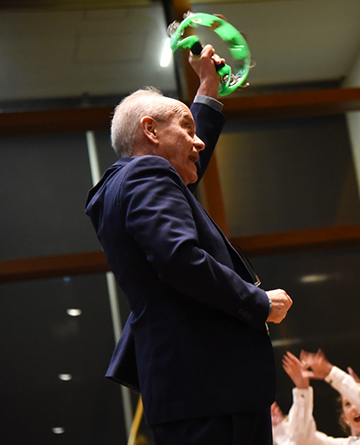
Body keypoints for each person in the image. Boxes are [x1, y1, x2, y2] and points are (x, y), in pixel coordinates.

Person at [84, 44, 293, 444]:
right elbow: (179, 257)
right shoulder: (147, 174)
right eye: (187, 129)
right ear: (149, 130)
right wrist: (258, 303)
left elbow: (185, 168)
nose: (198, 144)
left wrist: (207, 91)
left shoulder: (124, 183)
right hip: (211, 389)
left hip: (192, 388)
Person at [282, 351, 360, 445]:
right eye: (348, 404)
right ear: (345, 418)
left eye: (359, 399)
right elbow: (303, 439)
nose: (354, 407)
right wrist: (302, 390)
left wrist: (330, 372)